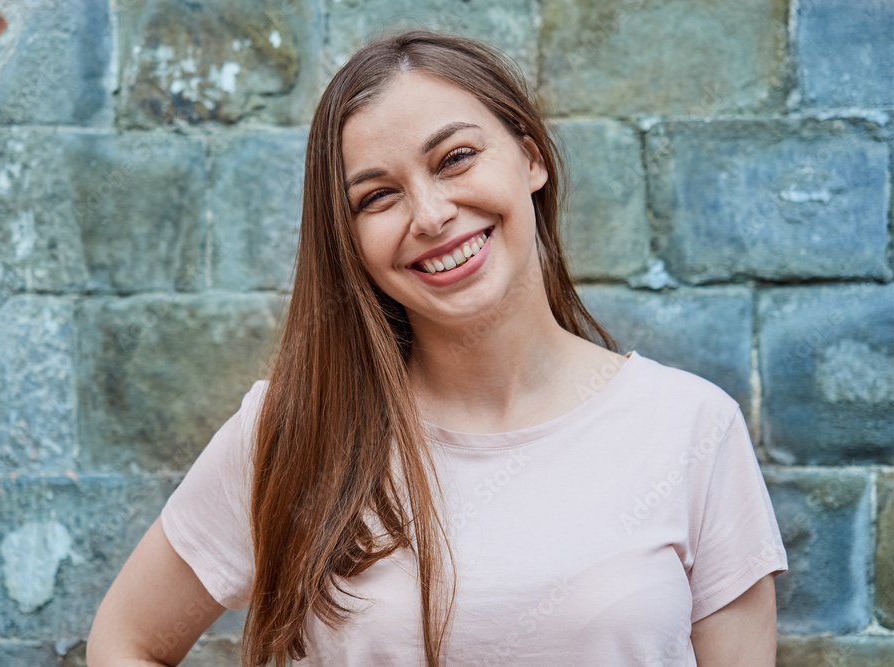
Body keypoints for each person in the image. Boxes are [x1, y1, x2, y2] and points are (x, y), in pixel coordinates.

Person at [87, 30, 788, 666]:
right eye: (377, 196)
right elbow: (125, 641)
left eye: (455, 159)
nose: (430, 215)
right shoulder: (294, 432)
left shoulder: (693, 428)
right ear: (350, 242)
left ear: (531, 156)